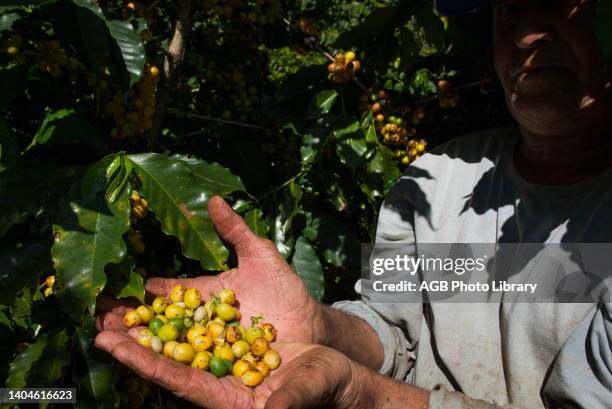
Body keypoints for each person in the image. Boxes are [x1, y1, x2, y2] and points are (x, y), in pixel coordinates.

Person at [95, 0, 612, 408]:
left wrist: (363, 398)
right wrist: (319, 327)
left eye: (560, 3)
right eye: (509, 11)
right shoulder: (437, 182)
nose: (526, 37)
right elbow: (392, 327)